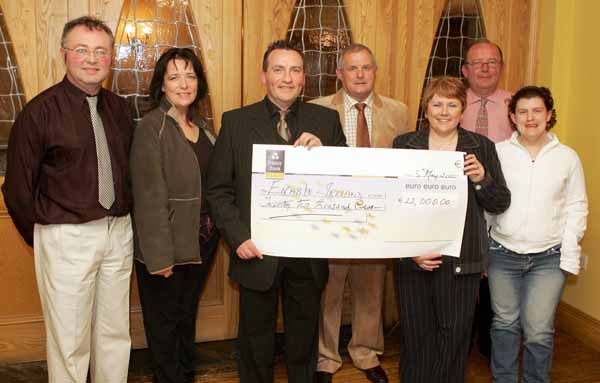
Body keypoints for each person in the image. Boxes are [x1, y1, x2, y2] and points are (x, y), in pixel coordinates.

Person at [1, 16, 134, 382]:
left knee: (114, 335)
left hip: (118, 233)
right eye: (81, 50)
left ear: (111, 57)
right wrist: (47, 236)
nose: (91, 59)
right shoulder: (39, 112)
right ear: (64, 55)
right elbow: (16, 189)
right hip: (65, 236)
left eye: (100, 51)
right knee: (70, 343)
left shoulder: (120, 110)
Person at [206, 40, 346, 383]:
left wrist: (326, 152)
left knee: (303, 340)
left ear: (304, 78)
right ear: (264, 76)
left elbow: (346, 180)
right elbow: (218, 190)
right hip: (256, 251)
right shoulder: (236, 122)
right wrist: (238, 238)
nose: (287, 78)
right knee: (256, 341)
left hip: (308, 253)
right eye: (278, 69)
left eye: (295, 70)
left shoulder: (325, 120)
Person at [392, 76, 510, 383]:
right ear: (426, 108)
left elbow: (500, 202)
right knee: (416, 337)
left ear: (462, 110)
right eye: (437, 103)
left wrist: (482, 178)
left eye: (452, 104)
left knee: (454, 338)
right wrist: (409, 251)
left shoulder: (481, 147)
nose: (444, 111)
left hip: (462, 259)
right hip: (414, 258)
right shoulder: (404, 145)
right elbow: (391, 205)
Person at [311, 43, 408, 383]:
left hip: (375, 219)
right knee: (329, 289)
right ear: (339, 73)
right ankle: (325, 358)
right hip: (332, 215)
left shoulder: (399, 111)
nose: (360, 74)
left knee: (371, 288)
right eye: (352, 68)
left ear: (375, 71)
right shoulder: (317, 109)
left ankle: (366, 352)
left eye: (366, 67)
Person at [129, 47, 219, 383]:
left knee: (185, 318)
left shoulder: (205, 127)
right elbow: (148, 197)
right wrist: (159, 257)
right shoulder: (152, 127)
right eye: (174, 77)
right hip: (165, 250)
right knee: (163, 326)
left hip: (199, 244)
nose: (184, 84)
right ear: (161, 85)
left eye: (190, 76)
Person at [488, 86, 588, 383]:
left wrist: (569, 253)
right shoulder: (497, 153)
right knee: (504, 324)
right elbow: (486, 204)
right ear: (512, 117)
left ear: (549, 115)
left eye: (537, 110)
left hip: (548, 259)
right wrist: (480, 249)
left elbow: (577, 205)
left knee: (538, 331)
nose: (529, 117)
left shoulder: (568, 157)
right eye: (522, 111)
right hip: (502, 255)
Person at [461, 39, 513, 358]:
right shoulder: (450, 101)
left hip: (498, 198)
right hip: (461, 199)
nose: (484, 68)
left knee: (493, 271)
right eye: (477, 63)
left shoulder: (515, 104)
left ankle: (489, 340)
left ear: (501, 68)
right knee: (465, 269)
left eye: (491, 62)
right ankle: (460, 338)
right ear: (465, 70)